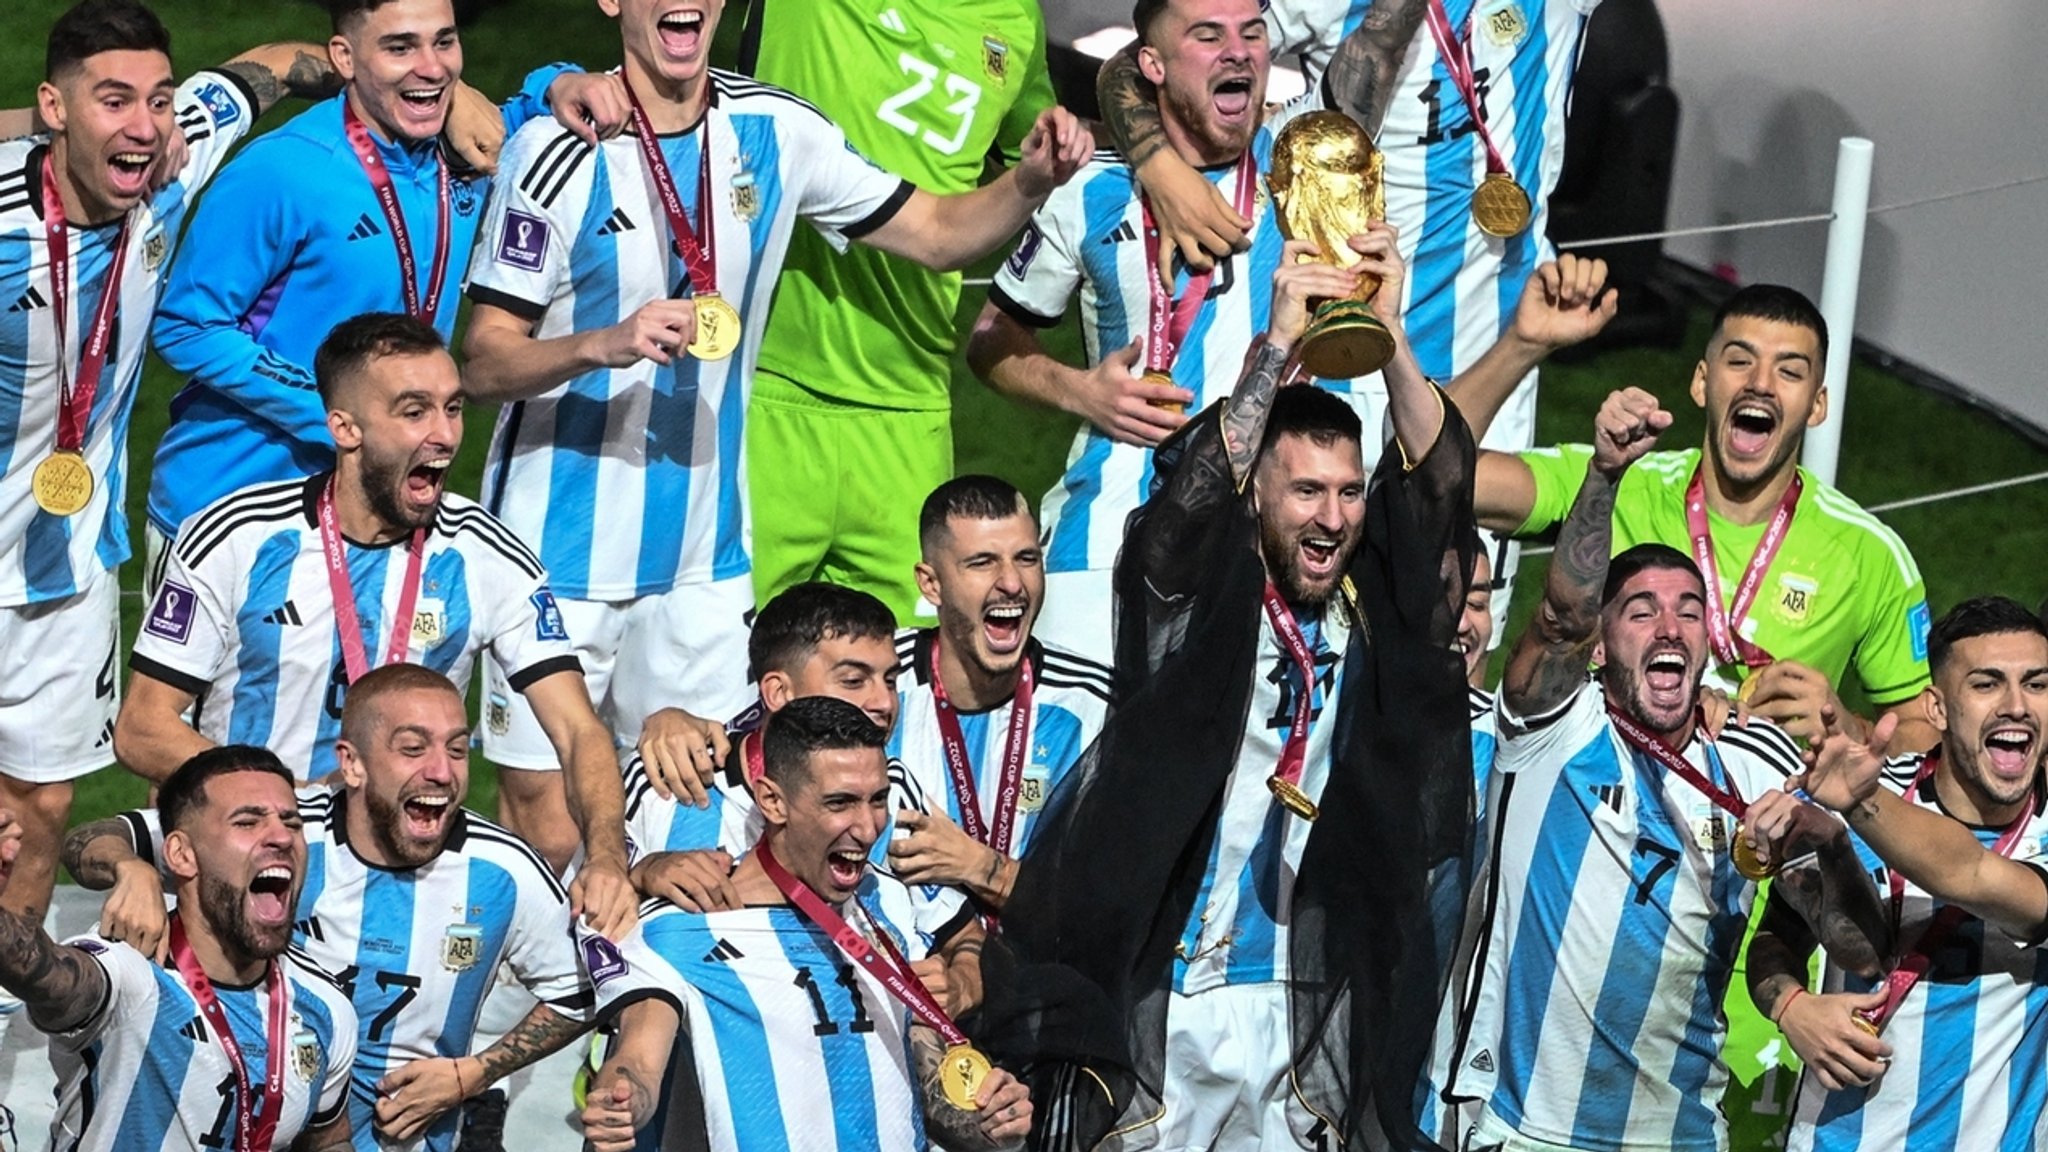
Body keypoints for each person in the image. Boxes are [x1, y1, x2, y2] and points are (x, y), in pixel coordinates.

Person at [457, 0, 1089, 844]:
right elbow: (483, 361)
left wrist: (1029, 182)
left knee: (699, 815)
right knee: (554, 823)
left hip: (705, 558)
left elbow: (936, 234)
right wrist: (602, 344)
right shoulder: (554, 150)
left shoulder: (778, 131)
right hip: (556, 551)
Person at [980, 232, 1476, 1149]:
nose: (1331, 518)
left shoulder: (1375, 612)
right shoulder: (1197, 601)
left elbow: (1443, 486)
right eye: (1305, 493)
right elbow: (1183, 507)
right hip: (1172, 992)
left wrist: (1393, 334)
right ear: (1257, 497)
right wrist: (1278, 345)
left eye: (1347, 493)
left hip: (1301, 995)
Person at [1460, 283, 1936, 1134]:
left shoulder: (1868, 555)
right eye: (1740, 359)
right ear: (1701, 382)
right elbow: (1439, 467)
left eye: (1790, 370)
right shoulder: (1628, 482)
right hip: (1571, 962)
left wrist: (1842, 726)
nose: (1761, 383)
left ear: (1817, 403)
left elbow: (1926, 750)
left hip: (1756, 984)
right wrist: (1525, 345)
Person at [0, 0, 366, 1046]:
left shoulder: (175, 151)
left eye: (155, 101)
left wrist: (467, 97)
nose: (144, 126)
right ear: (51, 111)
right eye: (111, 101)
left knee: (39, 814)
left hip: (66, 567)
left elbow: (268, 64)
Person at [117, 313, 636, 936]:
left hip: (404, 872)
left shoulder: (487, 555)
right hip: (253, 865)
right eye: (415, 412)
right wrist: (293, 800)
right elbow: (142, 728)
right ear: (345, 428)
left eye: (452, 409)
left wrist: (607, 858)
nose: (445, 435)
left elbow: (579, 732)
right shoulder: (238, 539)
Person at [1102, 0, 1609, 637]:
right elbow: (1133, 66)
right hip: (1353, 364)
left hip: (1498, 353)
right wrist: (1160, 166)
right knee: (1317, 626)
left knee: (1465, 625)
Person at [142, 0, 631, 579]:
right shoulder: (282, 172)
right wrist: (333, 406)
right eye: (399, 47)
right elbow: (187, 324)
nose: (431, 67)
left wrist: (562, 81)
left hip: (379, 512)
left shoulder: (464, 154)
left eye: (444, 42)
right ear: (344, 58)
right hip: (234, 514)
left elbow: (535, 104)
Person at [66, 664, 594, 1152]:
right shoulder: (286, 834)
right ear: (353, 764)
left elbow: (581, 990)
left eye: (457, 750)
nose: (442, 771)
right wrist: (129, 868)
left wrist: (474, 1074)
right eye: (413, 748)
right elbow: (95, 837)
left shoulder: (504, 870)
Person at [577, 696, 1033, 1152]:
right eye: (841, 803)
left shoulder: (886, 902)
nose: (869, 827)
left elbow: (924, 1077)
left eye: (877, 800)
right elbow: (637, 1061)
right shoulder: (682, 930)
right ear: (773, 801)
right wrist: (623, 1102)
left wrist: (993, 1121)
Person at [736, 0, 1060, 622]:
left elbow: (1038, 156)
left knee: (905, 685)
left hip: (908, 409)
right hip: (765, 392)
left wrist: (1151, 158)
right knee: (730, 672)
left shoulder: (1014, 19)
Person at [1746, 597, 2048, 1151]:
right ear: (1936, 707)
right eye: (1986, 685)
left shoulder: (1862, 796)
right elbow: (1777, 939)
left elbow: (1968, 872)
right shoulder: (1866, 786)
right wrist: (1791, 1006)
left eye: (2036, 684)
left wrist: (1860, 806)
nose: (2016, 706)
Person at [0, 746, 358, 1151]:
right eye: (247, 822)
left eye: (291, 823)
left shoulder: (325, 1005)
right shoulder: (129, 973)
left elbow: (327, 1141)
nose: (280, 836)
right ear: (181, 855)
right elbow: (37, 969)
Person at [883, 475, 1113, 915]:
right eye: (982, 562)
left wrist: (980, 867)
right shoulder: (872, 682)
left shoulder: (1095, 708)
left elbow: (1108, 909)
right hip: (899, 969)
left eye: (1026, 558)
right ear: (931, 584)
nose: (1012, 583)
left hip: (1040, 973)